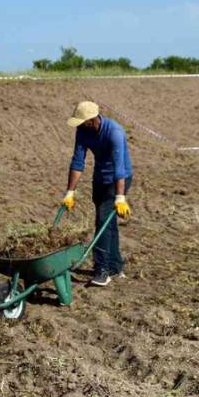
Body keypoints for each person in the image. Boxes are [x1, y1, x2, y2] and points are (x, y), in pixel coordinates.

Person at [61, 101, 133, 286]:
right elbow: (78, 162)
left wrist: (120, 197)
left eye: (81, 122)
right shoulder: (83, 132)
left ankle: (102, 271)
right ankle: (115, 267)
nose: (78, 125)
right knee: (109, 223)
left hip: (119, 179)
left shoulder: (114, 132)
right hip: (100, 178)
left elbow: (119, 168)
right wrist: (70, 192)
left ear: (92, 120)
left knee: (102, 220)